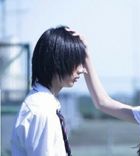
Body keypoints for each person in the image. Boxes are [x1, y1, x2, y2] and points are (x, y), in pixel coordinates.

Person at [11, 26, 87, 156]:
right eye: (76, 62)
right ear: (57, 62)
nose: (82, 70)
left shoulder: (43, 104)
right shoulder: (42, 111)